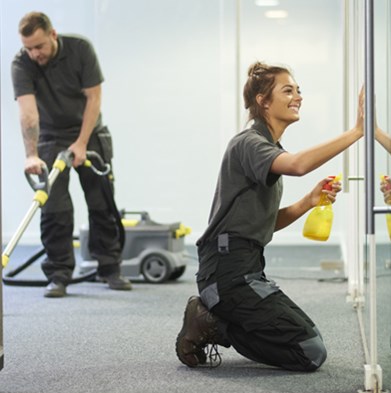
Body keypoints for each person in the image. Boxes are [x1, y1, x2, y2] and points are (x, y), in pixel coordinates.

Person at [175, 61, 364, 371]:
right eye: (287, 90)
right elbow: (298, 165)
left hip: (247, 269)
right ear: (263, 101)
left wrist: (308, 201)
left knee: (309, 340)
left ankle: (218, 318)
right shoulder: (249, 142)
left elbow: (260, 223)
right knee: (310, 352)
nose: (298, 96)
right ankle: (212, 322)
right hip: (226, 274)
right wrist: (356, 132)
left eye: (298, 90)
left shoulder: (266, 145)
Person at [11, 11, 132, 298]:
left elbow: (94, 98)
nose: (34, 53)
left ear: (53, 34)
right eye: (28, 48)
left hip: (89, 133)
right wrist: (31, 154)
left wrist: (81, 142)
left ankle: (109, 268)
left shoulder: (80, 49)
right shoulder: (21, 63)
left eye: (38, 46)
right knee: (54, 210)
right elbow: (28, 113)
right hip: (50, 138)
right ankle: (58, 274)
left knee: (102, 203)